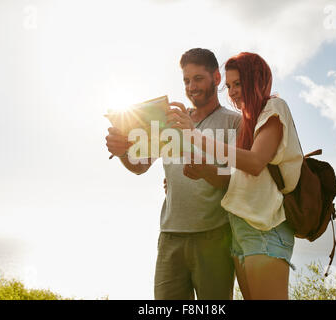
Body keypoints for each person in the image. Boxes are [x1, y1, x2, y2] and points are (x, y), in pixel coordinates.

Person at [105, 48, 242, 300]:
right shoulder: (169, 120)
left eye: (198, 79)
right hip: (170, 236)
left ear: (216, 78)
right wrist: (123, 151)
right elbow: (140, 165)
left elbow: (236, 183)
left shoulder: (233, 122)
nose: (191, 87)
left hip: (214, 237)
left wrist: (205, 171)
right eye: (186, 80)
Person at [168, 52, 303, 300]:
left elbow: (254, 163)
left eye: (238, 83)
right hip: (241, 228)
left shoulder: (274, 108)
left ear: (257, 79)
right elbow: (239, 176)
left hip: (266, 227)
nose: (231, 92)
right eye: (229, 86)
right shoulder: (251, 120)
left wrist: (195, 136)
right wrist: (193, 175)